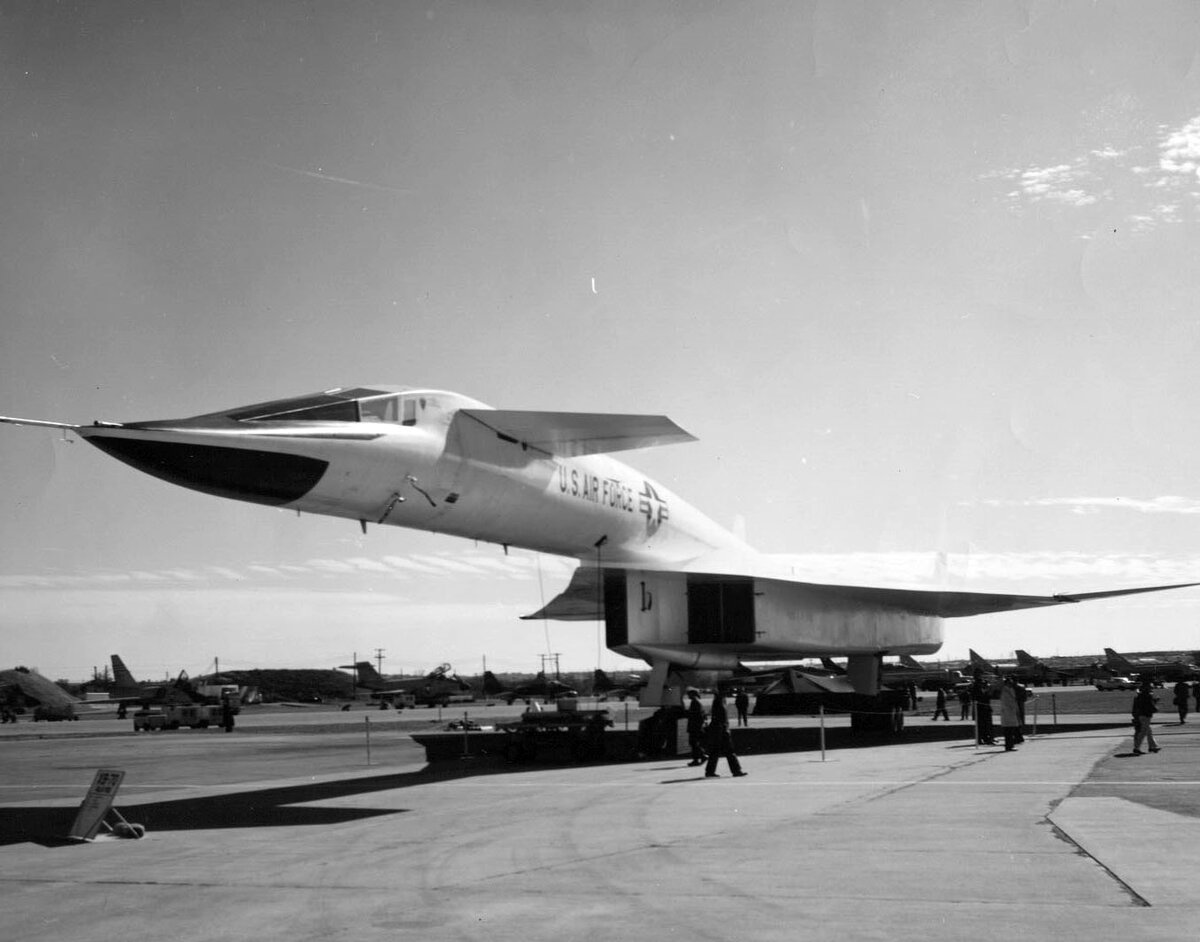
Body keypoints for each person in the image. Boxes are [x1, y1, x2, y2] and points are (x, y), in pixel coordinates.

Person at [703, 692, 746, 778]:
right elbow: (721, 719)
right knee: (729, 752)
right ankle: (736, 770)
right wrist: (725, 730)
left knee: (715, 752)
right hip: (721, 731)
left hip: (718, 731)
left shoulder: (718, 702)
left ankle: (710, 771)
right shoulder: (720, 703)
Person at [1131, 680, 1160, 755]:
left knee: (1148, 731)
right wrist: (1155, 704)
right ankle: (1136, 748)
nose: (1152, 688)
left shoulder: (1140, 695)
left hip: (1141, 715)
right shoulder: (1148, 695)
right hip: (1146, 715)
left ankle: (1153, 746)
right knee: (1143, 732)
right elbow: (1150, 706)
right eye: (1150, 687)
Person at [971, 670, 995, 745]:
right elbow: (981, 695)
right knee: (983, 724)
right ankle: (985, 738)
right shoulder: (976, 685)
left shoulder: (979, 684)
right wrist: (987, 689)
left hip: (984, 706)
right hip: (981, 707)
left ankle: (986, 738)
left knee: (984, 724)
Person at [685, 688, 707, 766]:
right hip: (695, 726)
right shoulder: (695, 702)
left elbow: (698, 715)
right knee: (694, 743)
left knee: (693, 743)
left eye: (689, 694)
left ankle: (700, 757)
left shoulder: (695, 703)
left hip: (695, 727)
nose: (688, 696)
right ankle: (698, 758)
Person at [998, 677, 1020, 751]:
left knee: (1011, 730)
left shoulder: (1010, 690)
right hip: (1007, 713)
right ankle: (1009, 746)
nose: (1011, 684)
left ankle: (1010, 745)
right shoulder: (1005, 692)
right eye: (1010, 682)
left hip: (1011, 713)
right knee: (1008, 731)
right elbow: (1008, 702)